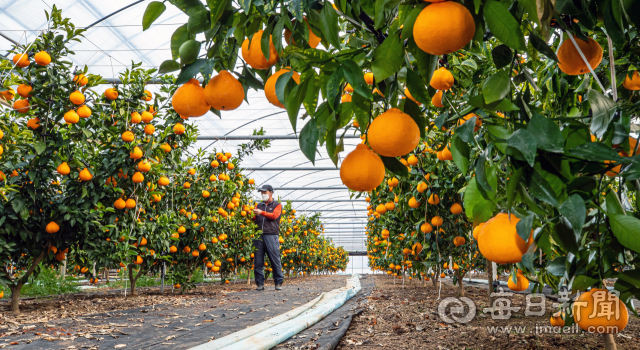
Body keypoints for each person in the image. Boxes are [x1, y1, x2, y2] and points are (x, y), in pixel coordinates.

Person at [251, 184, 284, 291]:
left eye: (265, 193)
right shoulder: (258, 205)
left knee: (274, 259)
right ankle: (259, 284)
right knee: (258, 261)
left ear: (271, 192)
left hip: (271, 235)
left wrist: (262, 213)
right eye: (262, 193)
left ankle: (278, 282)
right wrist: (250, 214)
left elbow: (274, 216)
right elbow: (254, 218)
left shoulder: (277, 205)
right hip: (259, 235)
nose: (263, 194)